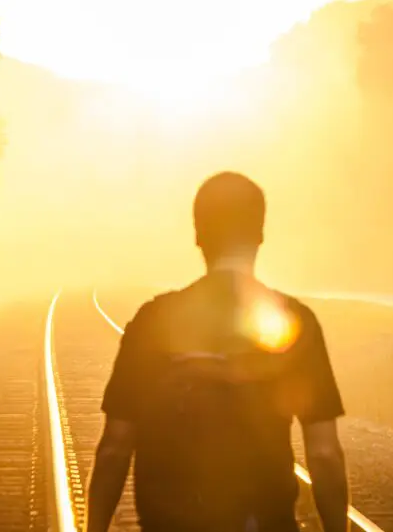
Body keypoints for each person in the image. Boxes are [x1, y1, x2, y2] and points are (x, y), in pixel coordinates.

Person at [85, 171, 350, 532]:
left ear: (198, 235)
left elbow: (115, 448)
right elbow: (323, 455)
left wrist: (94, 528)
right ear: (260, 235)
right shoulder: (294, 321)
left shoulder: (153, 320)